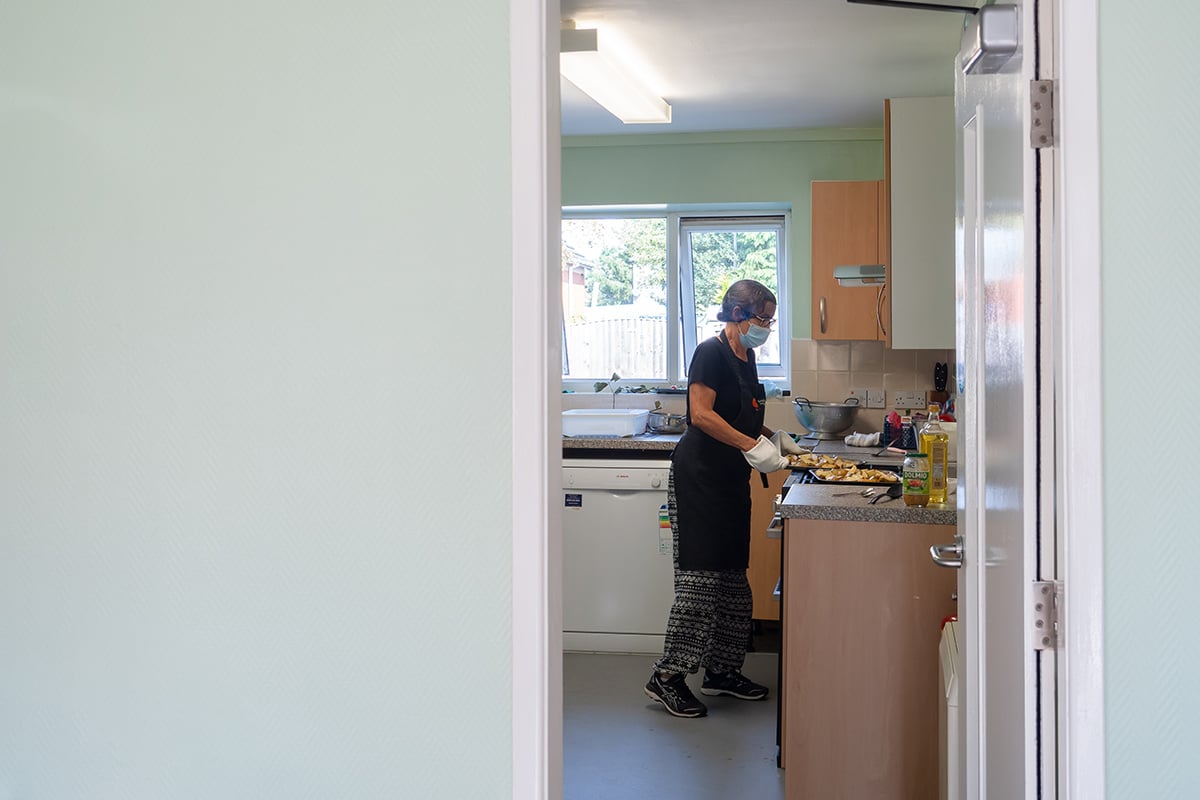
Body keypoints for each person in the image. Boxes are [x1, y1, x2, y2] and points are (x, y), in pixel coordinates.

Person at [643, 279, 804, 718]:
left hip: (732, 478)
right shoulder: (709, 353)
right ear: (737, 315)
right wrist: (752, 447)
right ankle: (668, 676)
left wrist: (778, 438)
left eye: (770, 320)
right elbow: (701, 415)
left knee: (734, 579)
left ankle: (721, 671)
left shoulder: (746, 356)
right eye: (761, 319)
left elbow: (742, 413)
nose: (765, 328)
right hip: (701, 477)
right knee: (701, 581)